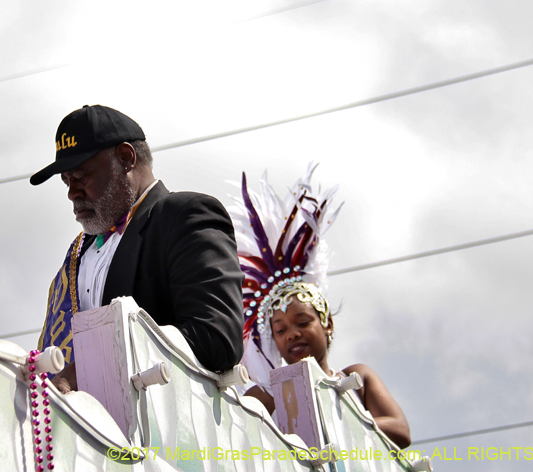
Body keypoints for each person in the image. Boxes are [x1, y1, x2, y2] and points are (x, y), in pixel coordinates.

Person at [30, 104, 244, 393]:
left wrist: (94, 366)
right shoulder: (78, 256)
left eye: (80, 177)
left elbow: (217, 339)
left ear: (126, 158)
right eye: (66, 181)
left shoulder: (184, 214)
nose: (72, 193)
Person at [243, 280, 412, 449]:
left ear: (327, 324)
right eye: (280, 330)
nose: (292, 334)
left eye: (303, 323)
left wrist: (330, 427)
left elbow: (400, 430)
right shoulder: (265, 396)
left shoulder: (356, 378)